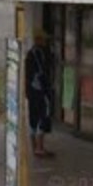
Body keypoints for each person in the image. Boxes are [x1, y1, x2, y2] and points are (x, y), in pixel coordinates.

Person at [25, 28, 58, 159]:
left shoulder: (31, 53)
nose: (45, 42)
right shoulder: (38, 53)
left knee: (33, 118)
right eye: (44, 39)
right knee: (42, 117)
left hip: (32, 91)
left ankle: (35, 148)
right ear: (38, 40)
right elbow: (42, 73)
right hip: (39, 91)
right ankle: (39, 148)